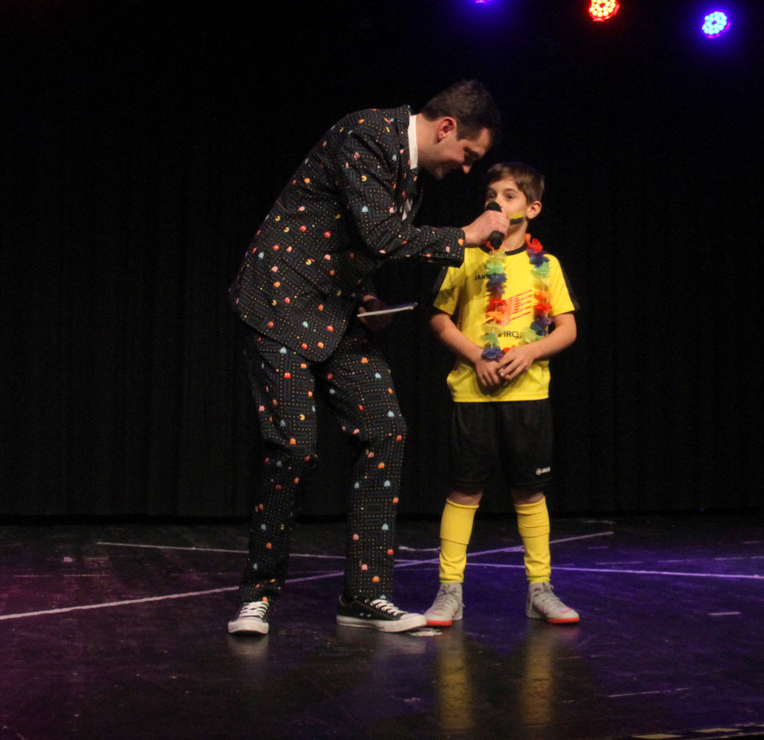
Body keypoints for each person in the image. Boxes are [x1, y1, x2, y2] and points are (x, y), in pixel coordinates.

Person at [227, 81, 510, 635]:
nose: (466, 168)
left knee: (385, 430)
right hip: (279, 302)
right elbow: (381, 235)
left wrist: (367, 296)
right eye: (469, 154)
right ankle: (256, 596)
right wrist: (467, 236)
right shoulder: (367, 134)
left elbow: (352, 240)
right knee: (294, 448)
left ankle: (365, 594)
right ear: (447, 127)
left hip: (337, 310)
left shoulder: (411, 171)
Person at [423, 162, 580, 626]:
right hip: (473, 395)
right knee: (464, 490)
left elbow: (567, 328)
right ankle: (449, 591)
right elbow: (438, 318)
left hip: (527, 397)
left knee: (529, 493)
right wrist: (475, 354)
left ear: (532, 209)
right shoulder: (465, 256)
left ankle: (540, 589)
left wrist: (530, 351)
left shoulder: (546, 265)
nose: (496, 201)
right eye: (491, 194)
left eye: (509, 195)